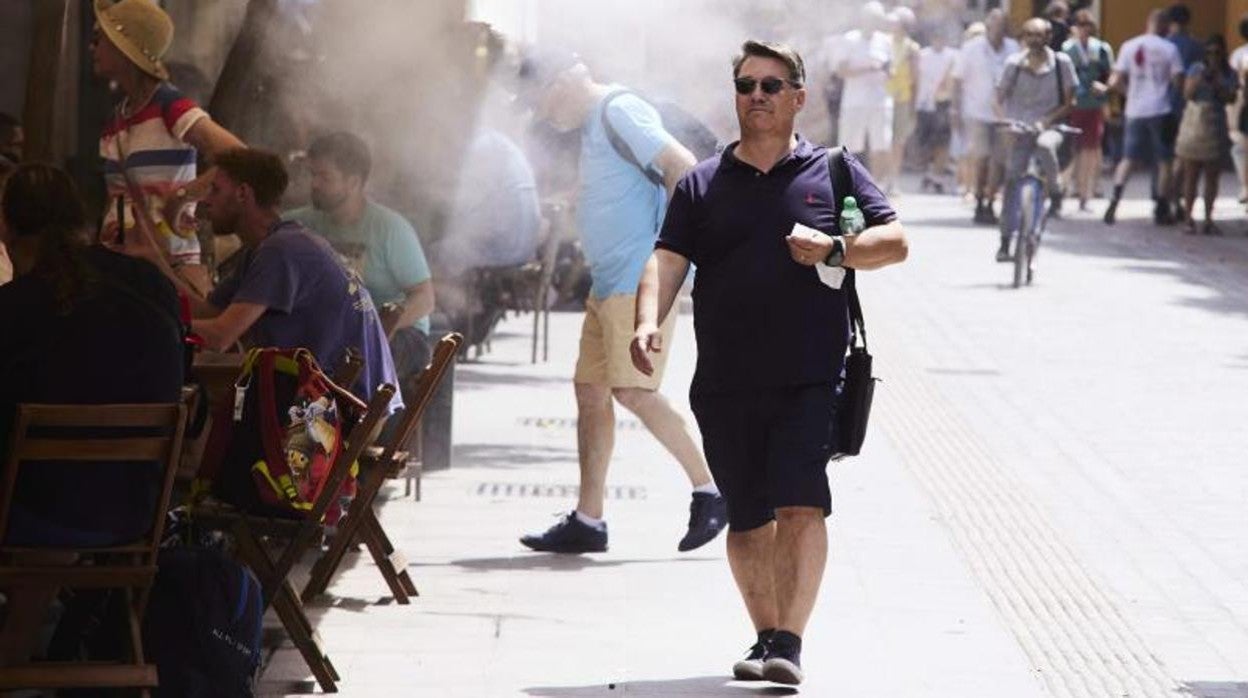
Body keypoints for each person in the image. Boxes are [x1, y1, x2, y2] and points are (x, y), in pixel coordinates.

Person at [631, 39, 908, 686]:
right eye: (746, 85)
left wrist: (836, 246)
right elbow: (668, 259)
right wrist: (648, 320)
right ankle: (763, 638)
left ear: (799, 98)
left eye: (772, 86)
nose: (757, 96)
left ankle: (790, 640)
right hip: (724, 381)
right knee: (748, 517)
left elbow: (894, 242)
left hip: (811, 375)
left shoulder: (835, 170)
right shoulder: (701, 183)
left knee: (801, 506)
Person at [514, 49, 726, 554]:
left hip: (638, 280)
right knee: (591, 392)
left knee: (633, 392)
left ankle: (713, 490)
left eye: (541, 102)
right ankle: (589, 521)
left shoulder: (618, 109)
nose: (544, 116)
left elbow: (683, 168)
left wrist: (672, 259)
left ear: (563, 79)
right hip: (609, 281)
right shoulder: (596, 123)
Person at [0, 163, 184, 663]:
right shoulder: (149, 286)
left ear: (7, 226)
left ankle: (19, 642)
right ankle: (33, 638)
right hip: (137, 513)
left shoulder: (14, 310)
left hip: (34, 516)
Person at [112, 147, 401, 412]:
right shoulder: (266, 248)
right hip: (336, 401)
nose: (206, 201)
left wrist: (144, 327)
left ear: (242, 194)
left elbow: (220, 336)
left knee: (195, 416)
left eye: (215, 189)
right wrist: (153, 259)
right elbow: (212, 314)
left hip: (344, 412)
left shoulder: (282, 250)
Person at [91, 0, 245, 295]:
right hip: (122, 263)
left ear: (125, 49)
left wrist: (183, 196)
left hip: (167, 265)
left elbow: (238, 155)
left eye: (99, 39)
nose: (92, 48)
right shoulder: (117, 118)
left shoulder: (169, 105)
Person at [284, 132, 435, 382]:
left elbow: (424, 298)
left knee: (355, 368)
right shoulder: (297, 224)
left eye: (325, 177)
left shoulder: (390, 229)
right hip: (327, 334)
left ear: (353, 183)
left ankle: (356, 421)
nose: (314, 184)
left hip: (398, 334)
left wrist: (378, 329)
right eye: (313, 175)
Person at [995, 18, 1077, 267]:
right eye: (1028, 34)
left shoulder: (1062, 64)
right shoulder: (1014, 64)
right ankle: (1006, 240)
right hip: (1021, 130)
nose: (1033, 39)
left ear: (1048, 37)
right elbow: (998, 97)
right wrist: (1005, 122)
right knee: (1011, 180)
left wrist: (1046, 120)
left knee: (1044, 145)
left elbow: (1070, 102)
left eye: (1038, 35)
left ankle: (1056, 191)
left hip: (1051, 127)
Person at [1103, 10, 1184, 226]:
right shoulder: (1170, 48)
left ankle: (1115, 200)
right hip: (1161, 109)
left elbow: (1114, 80)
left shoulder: (1130, 46)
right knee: (1165, 160)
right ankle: (1161, 206)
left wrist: (1129, 93)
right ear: (1166, 26)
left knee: (1128, 158)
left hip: (1134, 110)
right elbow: (1178, 82)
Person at [953, 9, 1019, 224]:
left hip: (1004, 115)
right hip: (976, 112)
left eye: (1002, 25)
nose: (997, 29)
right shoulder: (971, 49)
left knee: (998, 162)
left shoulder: (1013, 49)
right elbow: (957, 80)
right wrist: (955, 109)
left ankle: (991, 201)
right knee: (981, 159)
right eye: (994, 24)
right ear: (988, 26)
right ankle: (980, 199)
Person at [1175, 35, 1238, 235]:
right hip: (1195, 124)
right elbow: (1187, 94)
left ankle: (1209, 218)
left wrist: (1219, 82)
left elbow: (1231, 98)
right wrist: (1200, 78)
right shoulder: (1196, 69)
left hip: (1216, 124)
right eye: (1209, 52)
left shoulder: (1229, 73)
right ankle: (1188, 218)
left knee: (1212, 176)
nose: (1213, 57)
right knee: (1191, 175)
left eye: (1217, 53)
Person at [830, 2, 894, 180]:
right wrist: (868, 69)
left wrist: (886, 71)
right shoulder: (849, 39)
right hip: (855, 102)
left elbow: (891, 69)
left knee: (880, 146)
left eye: (877, 19)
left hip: (880, 101)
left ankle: (877, 187)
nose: (873, 23)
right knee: (850, 146)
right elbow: (840, 71)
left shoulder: (885, 41)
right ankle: (847, 183)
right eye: (870, 19)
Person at [1062, 11, 1114, 211]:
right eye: (1080, 24)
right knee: (1071, 148)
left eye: (1087, 24)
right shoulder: (1068, 49)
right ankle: (1064, 188)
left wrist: (1106, 89)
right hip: (1074, 104)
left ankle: (1085, 193)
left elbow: (1110, 74)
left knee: (1090, 150)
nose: (1084, 28)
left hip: (1094, 103)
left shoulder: (1101, 49)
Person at [916, 28, 959, 193]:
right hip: (924, 104)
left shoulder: (953, 56)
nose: (938, 40)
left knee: (942, 142)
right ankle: (928, 173)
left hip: (943, 105)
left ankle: (937, 176)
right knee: (926, 143)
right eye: (935, 37)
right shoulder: (922, 55)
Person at [885, 7, 921, 194]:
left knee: (897, 142)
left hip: (902, 99)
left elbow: (915, 79)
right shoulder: (884, 42)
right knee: (882, 141)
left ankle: (894, 179)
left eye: (896, 22)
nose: (892, 25)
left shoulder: (911, 48)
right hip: (882, 97)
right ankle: (881, 179)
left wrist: (913, 106)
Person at [1228, 15, 1248, 202]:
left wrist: (1231, 113)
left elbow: (1235, 87)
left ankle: (1245, 187)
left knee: (1241, 149)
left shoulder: (1238, 55)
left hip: (1244, 106)